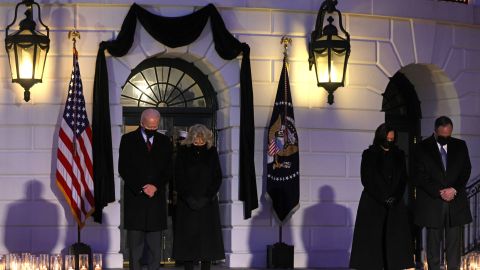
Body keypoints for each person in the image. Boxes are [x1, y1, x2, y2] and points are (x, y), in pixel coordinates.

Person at [350, 123, 414, 270]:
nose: (389, 142)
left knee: (393, 240)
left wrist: (395, 197)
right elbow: (366, 179)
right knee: (373, 240)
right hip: (373, 203)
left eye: (392, 139)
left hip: (394, 204)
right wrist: (383, 197)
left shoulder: (399, 154)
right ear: (380, 138)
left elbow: (403, 178)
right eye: (387, 139)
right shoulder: (369, 154)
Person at [414, 116, 471, 270]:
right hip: (433, 204)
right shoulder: (422, 147)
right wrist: (439, 192)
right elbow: (419, 175)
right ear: (435, 131)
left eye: (448, 135)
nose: (446, 138)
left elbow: (465, 170)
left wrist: (454, 189)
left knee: (454, 246)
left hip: (455, 203)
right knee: (433, 247)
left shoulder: (460, 145)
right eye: (442, 136)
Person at [118, 108, 173, 270]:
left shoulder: (164, 141)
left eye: (155, 126)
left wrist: (155, 186)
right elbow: (124, 168)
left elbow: (169, 169)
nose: (152, 129)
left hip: (156, 203)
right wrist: (142, 187)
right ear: (141, 123)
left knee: (156, 251)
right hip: (136, 202)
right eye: (149, 126)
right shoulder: (127, 139)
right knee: (135, 251)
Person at [173, 124, 225, 270]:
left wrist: (206, 198)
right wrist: (189, 198)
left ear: (207, 139)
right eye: (196, 140)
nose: (199, 143)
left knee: (207, 243)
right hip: (187, 205)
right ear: (191, 139)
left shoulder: (212, 152)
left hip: (207, 204)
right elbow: (179, 177)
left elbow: (217, 177)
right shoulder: (183, 152)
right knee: (188, 243)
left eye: (202, 140)